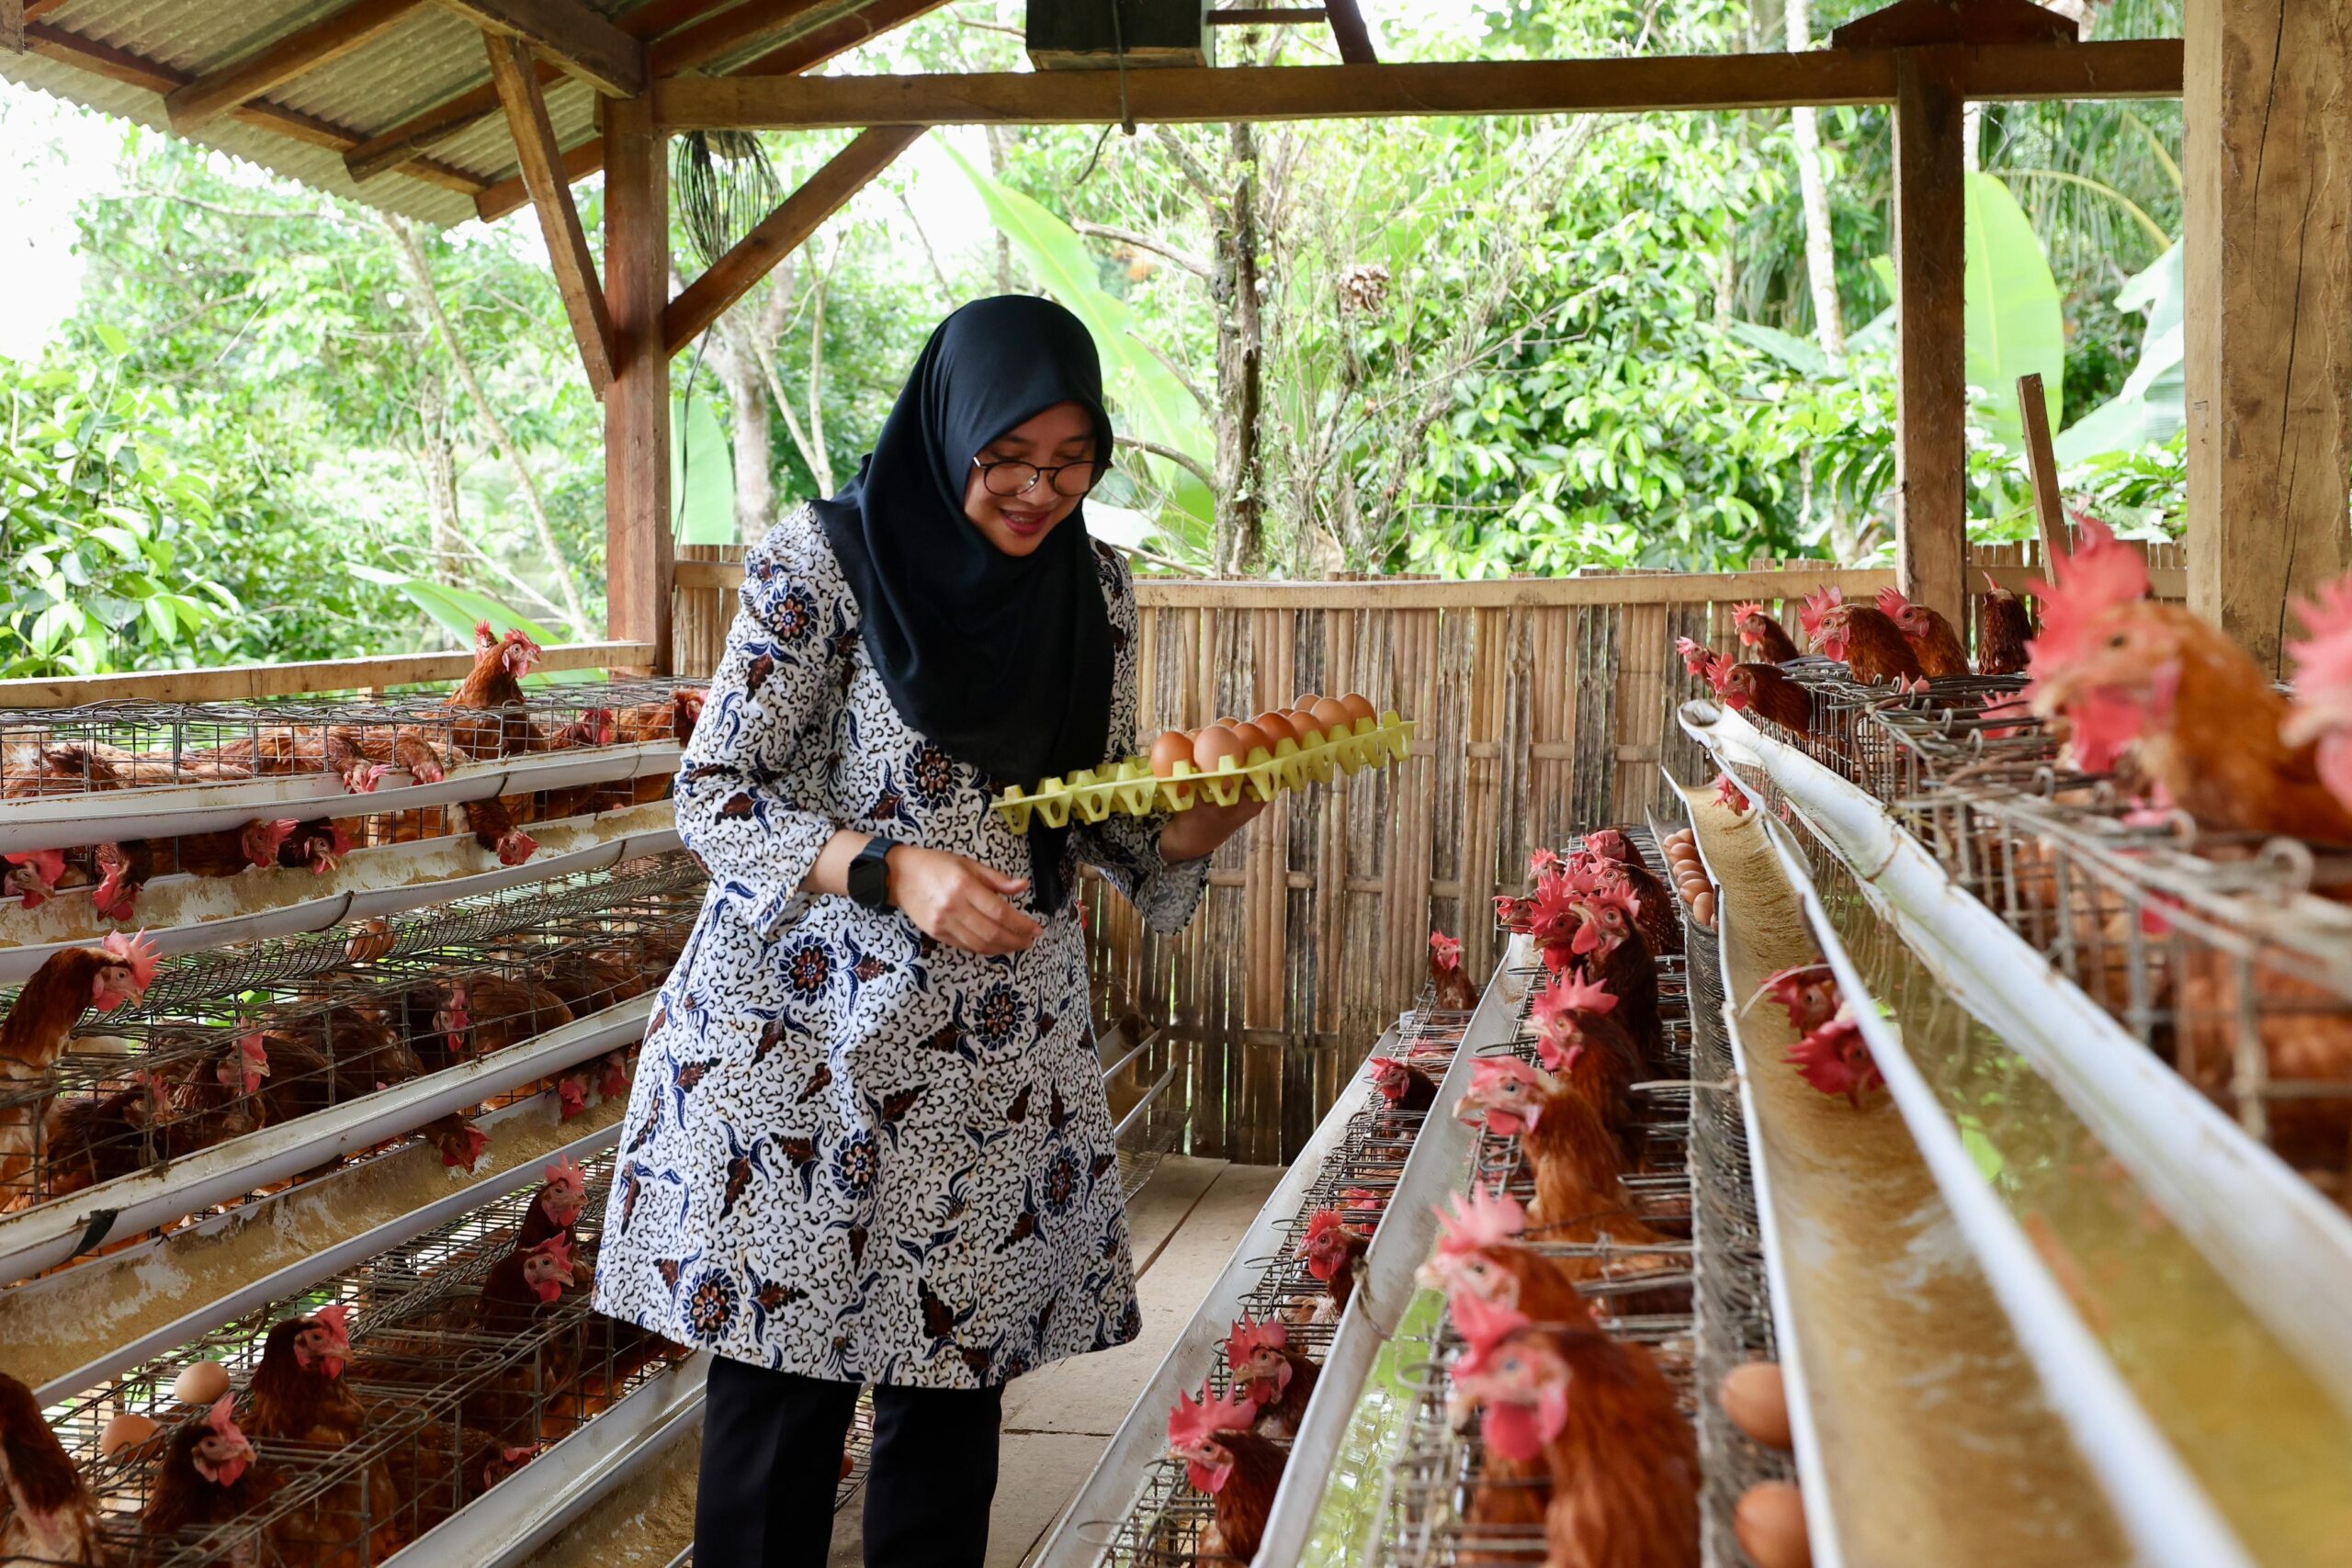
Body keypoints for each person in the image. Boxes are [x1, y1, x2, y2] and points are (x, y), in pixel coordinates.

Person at [594, 296, 1261, 1568]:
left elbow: (1091, 812)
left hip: (987, 1075)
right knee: (780, 1415)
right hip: (805, 1053)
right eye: (1008, 459)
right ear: (951, 427)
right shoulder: (824, 564)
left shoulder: (1094, 592)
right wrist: (891, 869)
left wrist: (1202, 823)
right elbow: (716, 793)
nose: (1038, 493)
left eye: (1071, 464)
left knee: (948, 1423)